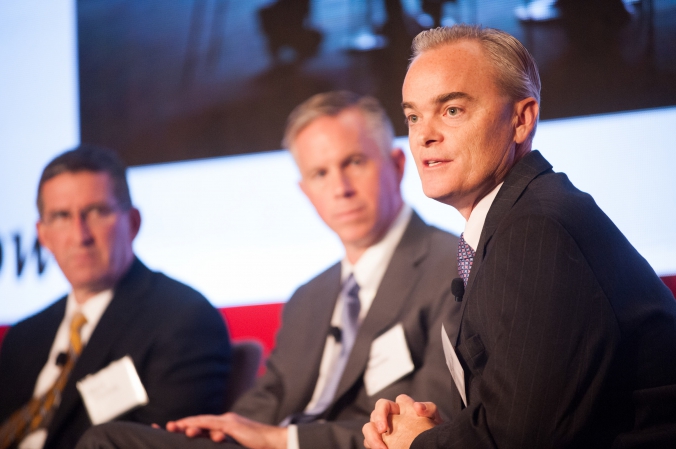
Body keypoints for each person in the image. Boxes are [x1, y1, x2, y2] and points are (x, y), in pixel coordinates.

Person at [75, 91, 462, 449]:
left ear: (396, 166)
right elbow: (269, 399)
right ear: (305, 191)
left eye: (354, 162)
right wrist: (216, 429)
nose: (339, 187)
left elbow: (431, 421)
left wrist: (284, 440)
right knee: (113, 441)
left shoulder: (452, 266)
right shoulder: (310, 296)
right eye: (320, 174)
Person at [362, 24, 676, 449]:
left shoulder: (537, 229)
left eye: (452, 110)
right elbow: (528, 413)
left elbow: (520, 440)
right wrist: (439, 432)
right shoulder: (520, 217)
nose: (424, 135)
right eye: (413, 116)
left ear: (521, 119)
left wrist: (419, 445)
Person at [0, 146, 232, 449]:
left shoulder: (183, 320)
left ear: (133, 222)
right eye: (61, 216)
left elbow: (161, 443)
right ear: (42, 235)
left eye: (96, 212)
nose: (80, 235)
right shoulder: (24, 337)